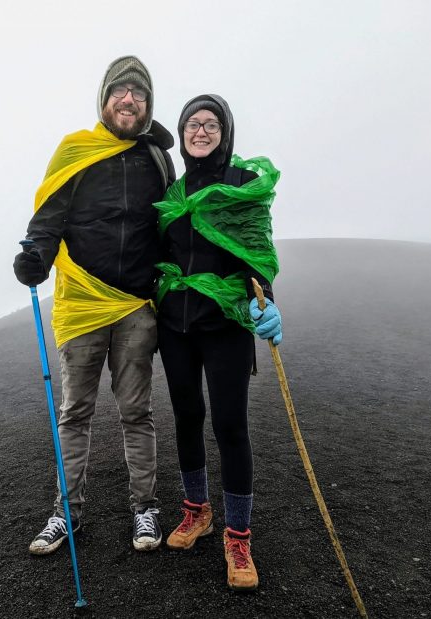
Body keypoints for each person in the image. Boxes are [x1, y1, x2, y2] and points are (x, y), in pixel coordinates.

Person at [13, 56, 175, 555]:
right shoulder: (75, 151)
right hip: (82, 302)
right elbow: (50, 214)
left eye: (139, 94)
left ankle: (144, 509)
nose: (129, 99)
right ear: (104, 100)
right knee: (75, 411)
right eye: (120, 91)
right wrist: (36, 254)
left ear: (148, 105)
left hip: (133, 306)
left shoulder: (157, 160)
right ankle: (68, 512)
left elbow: (170, 225)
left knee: (136, 411)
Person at [153, 94, 282, 591]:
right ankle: (196, 512)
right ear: (183, 133)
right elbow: (163, 252)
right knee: (187, 417)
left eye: (211, 124)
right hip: (176, 326)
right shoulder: (175, 190)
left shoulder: (242, 184)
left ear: (225, 132)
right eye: (192, 123)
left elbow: (256, 250)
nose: (200, 131)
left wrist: (265, 301)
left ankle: (238, 535)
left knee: (230, 426)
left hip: (225, 325)